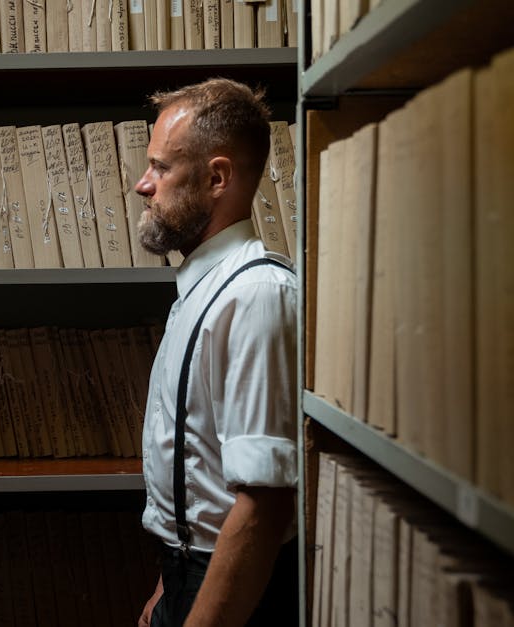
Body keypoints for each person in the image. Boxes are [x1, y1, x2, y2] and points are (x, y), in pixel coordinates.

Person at [133, 78, 298, 627]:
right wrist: (167, 587)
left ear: (217, 178)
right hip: (185, 574)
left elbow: (263, 505)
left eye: (161, 168)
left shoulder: (255, 295)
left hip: (233, 590)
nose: (142, 184)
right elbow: (194, 461)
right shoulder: (204, 288)